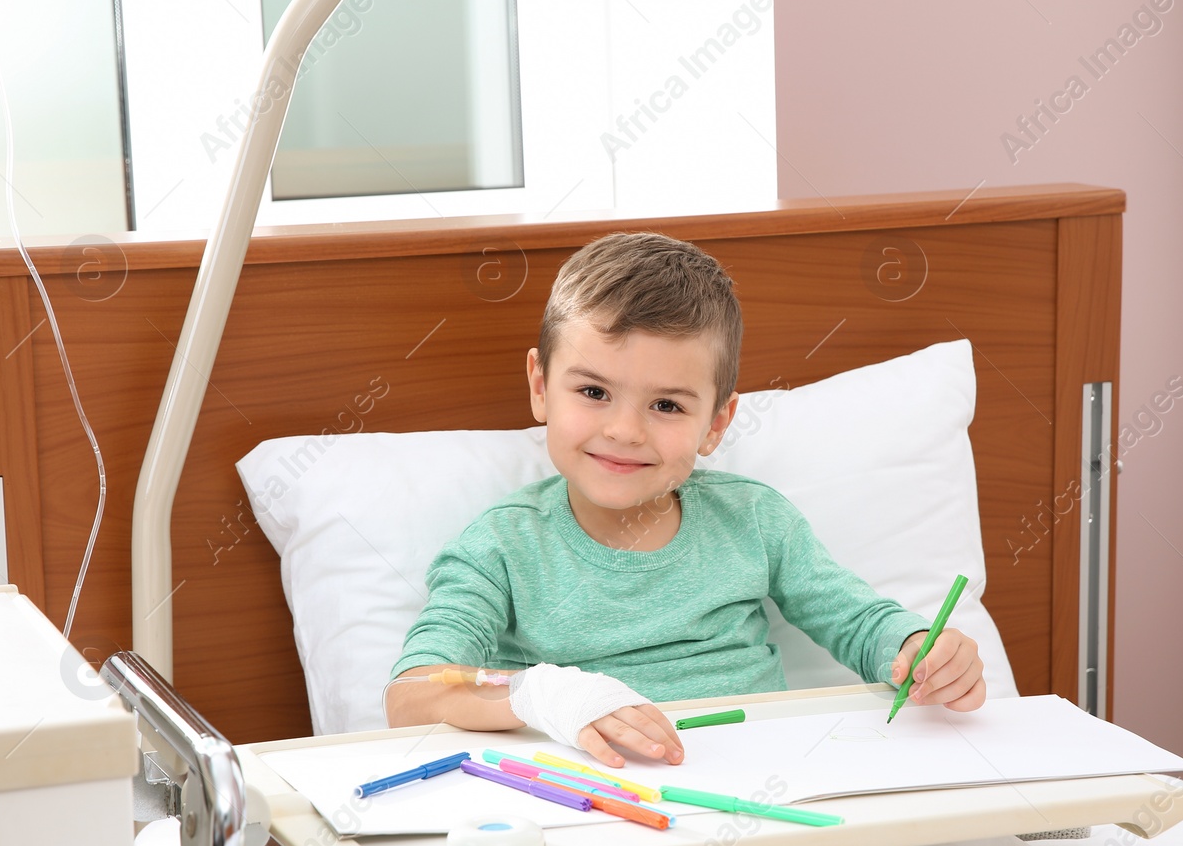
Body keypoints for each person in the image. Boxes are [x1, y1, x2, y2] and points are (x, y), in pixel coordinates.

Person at [383, 232, 985, 766]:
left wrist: (920, 652)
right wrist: (546, 695)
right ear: (542, 387)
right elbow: (412, 693)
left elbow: (858, 622)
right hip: (611, 803)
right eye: (593, 390)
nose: (624, 430)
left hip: (775, 783)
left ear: (718, 422)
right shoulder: (502, 546)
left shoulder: (753, 518)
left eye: (667, 405)